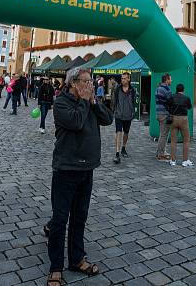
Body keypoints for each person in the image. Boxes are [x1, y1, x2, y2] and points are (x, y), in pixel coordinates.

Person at [47, 67, 113, 286]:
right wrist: (85, 101)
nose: (90, 85)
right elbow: (75, 122)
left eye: (91, 81)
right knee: (59, 220)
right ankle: (55, 267)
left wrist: (93, 102)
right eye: (86, 81)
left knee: (80, 217)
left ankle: (77, 259)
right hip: (66, 169)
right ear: (73, 83)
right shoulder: (61, 102)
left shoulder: (89, 101)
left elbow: (108, 119)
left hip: (87, 169)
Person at [111, 72, 137, 164]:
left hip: (128, 115)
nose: (123, 80)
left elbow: (133, 102)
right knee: (118, 132)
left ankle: (123, 148)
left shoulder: (132, 90)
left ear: (129, 79)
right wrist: (113, 111)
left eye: (125, 78)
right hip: (118, 115)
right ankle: (117, 153)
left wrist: (132, 112)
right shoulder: (117, 89)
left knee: (126, 133)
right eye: (122, 78)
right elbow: (114, 101)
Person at [168, 84, 193, 167]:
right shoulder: (186, 98)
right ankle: (185, 160)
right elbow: (189, 107)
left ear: (176, 89)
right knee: (186, 140)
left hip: (174, 119)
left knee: (173, 140)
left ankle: (173, 160)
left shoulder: (172, 97)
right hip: (183, 119)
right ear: (183, 90)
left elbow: (168, 106)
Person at [155, 74, 173, 161]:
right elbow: (171, 101)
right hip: (164, 114)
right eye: (170, 79)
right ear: (166, 80)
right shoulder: (166, 89)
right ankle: (161, 154)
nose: (171, 81)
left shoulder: (158, 88)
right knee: (164, 135)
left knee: (162, 134)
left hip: (158, 113)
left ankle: (161, 151)